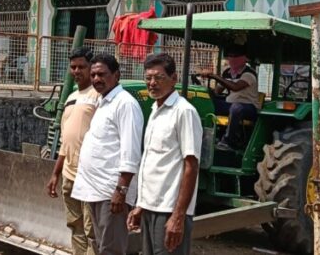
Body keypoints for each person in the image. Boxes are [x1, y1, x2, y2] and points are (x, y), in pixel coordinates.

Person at [127, 53, 202, 255]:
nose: (152, 83)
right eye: (148, 78)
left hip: (169, 210)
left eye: (159, 78)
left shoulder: (184, 112)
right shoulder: (155, 110)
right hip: (150, 208)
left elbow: (191, 165)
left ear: (174, 79)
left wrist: (178, 216)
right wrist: (141, 204)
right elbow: (152, 163)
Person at [71, 53, 144, 255]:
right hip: (96, 189)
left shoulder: (125, 104)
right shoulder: (104, 103)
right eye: (93, 75)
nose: (96, 79)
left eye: (102, 74)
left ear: (117, 75)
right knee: (102, 245)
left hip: (110, 191)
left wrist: (120, 191)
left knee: (111, 248)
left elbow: (131, 152)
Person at [45, 48, 98, 255]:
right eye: (73, 67)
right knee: (75, 225)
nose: (77, 71)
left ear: (91, 67)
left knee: (91, 229)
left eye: (81, 67)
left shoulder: (98, 96)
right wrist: (55, 173)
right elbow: (66, 142)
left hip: (89, 176)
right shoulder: (71, 97)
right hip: (69, 174)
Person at [199, 45, 258, 150]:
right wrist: (207, 92)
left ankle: (227, 141)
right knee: (206, 102)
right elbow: (218, 91)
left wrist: (214, 76)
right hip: (229, 104)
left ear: (244, 58)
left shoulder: (249, 73)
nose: (232, 59)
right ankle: (202, 136)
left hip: (249, 107)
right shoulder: (227, 72)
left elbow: (235, 87)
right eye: (230, 56)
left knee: (236, 108)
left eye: (236, 56)